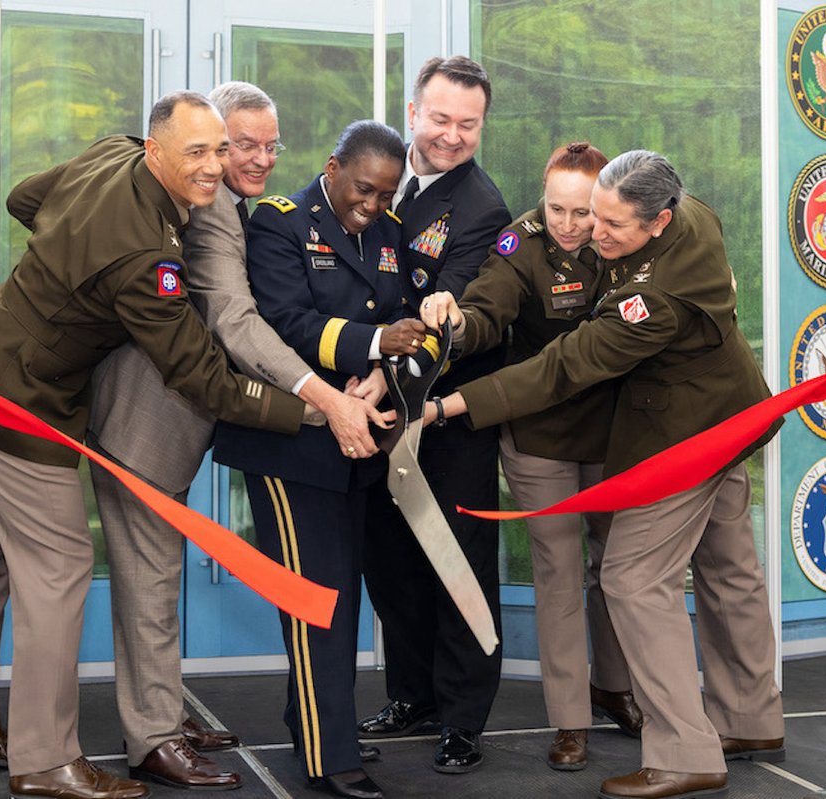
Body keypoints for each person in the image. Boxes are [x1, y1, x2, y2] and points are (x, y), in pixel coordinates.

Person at [0, 91, 314, 799]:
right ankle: (45, 760)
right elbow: (204, 378)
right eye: (197, 152)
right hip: (22, 395)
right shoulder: (146, 257)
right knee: (60, 568)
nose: (214, 167)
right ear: (155, 150)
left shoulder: (108, 154)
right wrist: (310, 412)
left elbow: (26, 199)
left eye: (219, 150)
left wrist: (66, 264)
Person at [422, 150, 785, 799]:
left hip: (686, 432)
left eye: (611, 224)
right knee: (729, 565)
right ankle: (750, 719)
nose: (593, 231)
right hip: (732, 412)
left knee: (631, 577)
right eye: (593, 214)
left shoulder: (652, 297)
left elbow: (564, 365)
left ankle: (684, 752)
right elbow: (500, 303)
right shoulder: (692, 215)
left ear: (658, 220)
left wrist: (450, 405)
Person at [84, 82, 385, 792]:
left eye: (268, 145)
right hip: (145, 421)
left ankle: (162, 710)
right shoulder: (215, 206)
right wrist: (322, 400)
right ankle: (154, 737)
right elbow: (237, 322)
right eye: (237, 144)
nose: (254, 159)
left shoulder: (218, 200)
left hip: (181, 415)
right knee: (150, 579)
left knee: (157, 575)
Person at [213, 120, 424, 799]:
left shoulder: (388, 231)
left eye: (386, 194)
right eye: (363, 189)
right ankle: (330, 757)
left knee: (341, 591)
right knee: (317, 600)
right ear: (332, 168)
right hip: (292, 441)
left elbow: (401, 316)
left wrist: (380, 377)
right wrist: (375, 345)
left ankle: (317, 723)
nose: (373, 204)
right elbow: (284, 322)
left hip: (357, 436)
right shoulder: (280, 224)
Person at [419, 141, 641, 771]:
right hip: (540, 433)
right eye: (556, 209)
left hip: (615, 432)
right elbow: (488, 308)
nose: (568, 224)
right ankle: (570, 721)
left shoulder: (626, 238)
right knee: (558, 572)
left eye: (582, 212)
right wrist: (457, 320)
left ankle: (614, 687)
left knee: (616, 570)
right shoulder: (522, 244)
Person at [357, 55, 511, 776]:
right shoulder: (380, 176)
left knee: (457, 566)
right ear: (414, 111)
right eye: (441, 118)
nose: (452, 135)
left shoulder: (481, 209)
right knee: (391, 562)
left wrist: (377, 382)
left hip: (446, 417)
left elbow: (441, 324)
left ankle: (462, 718)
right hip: (373, 411)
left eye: (468, 124)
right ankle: (412, 694)